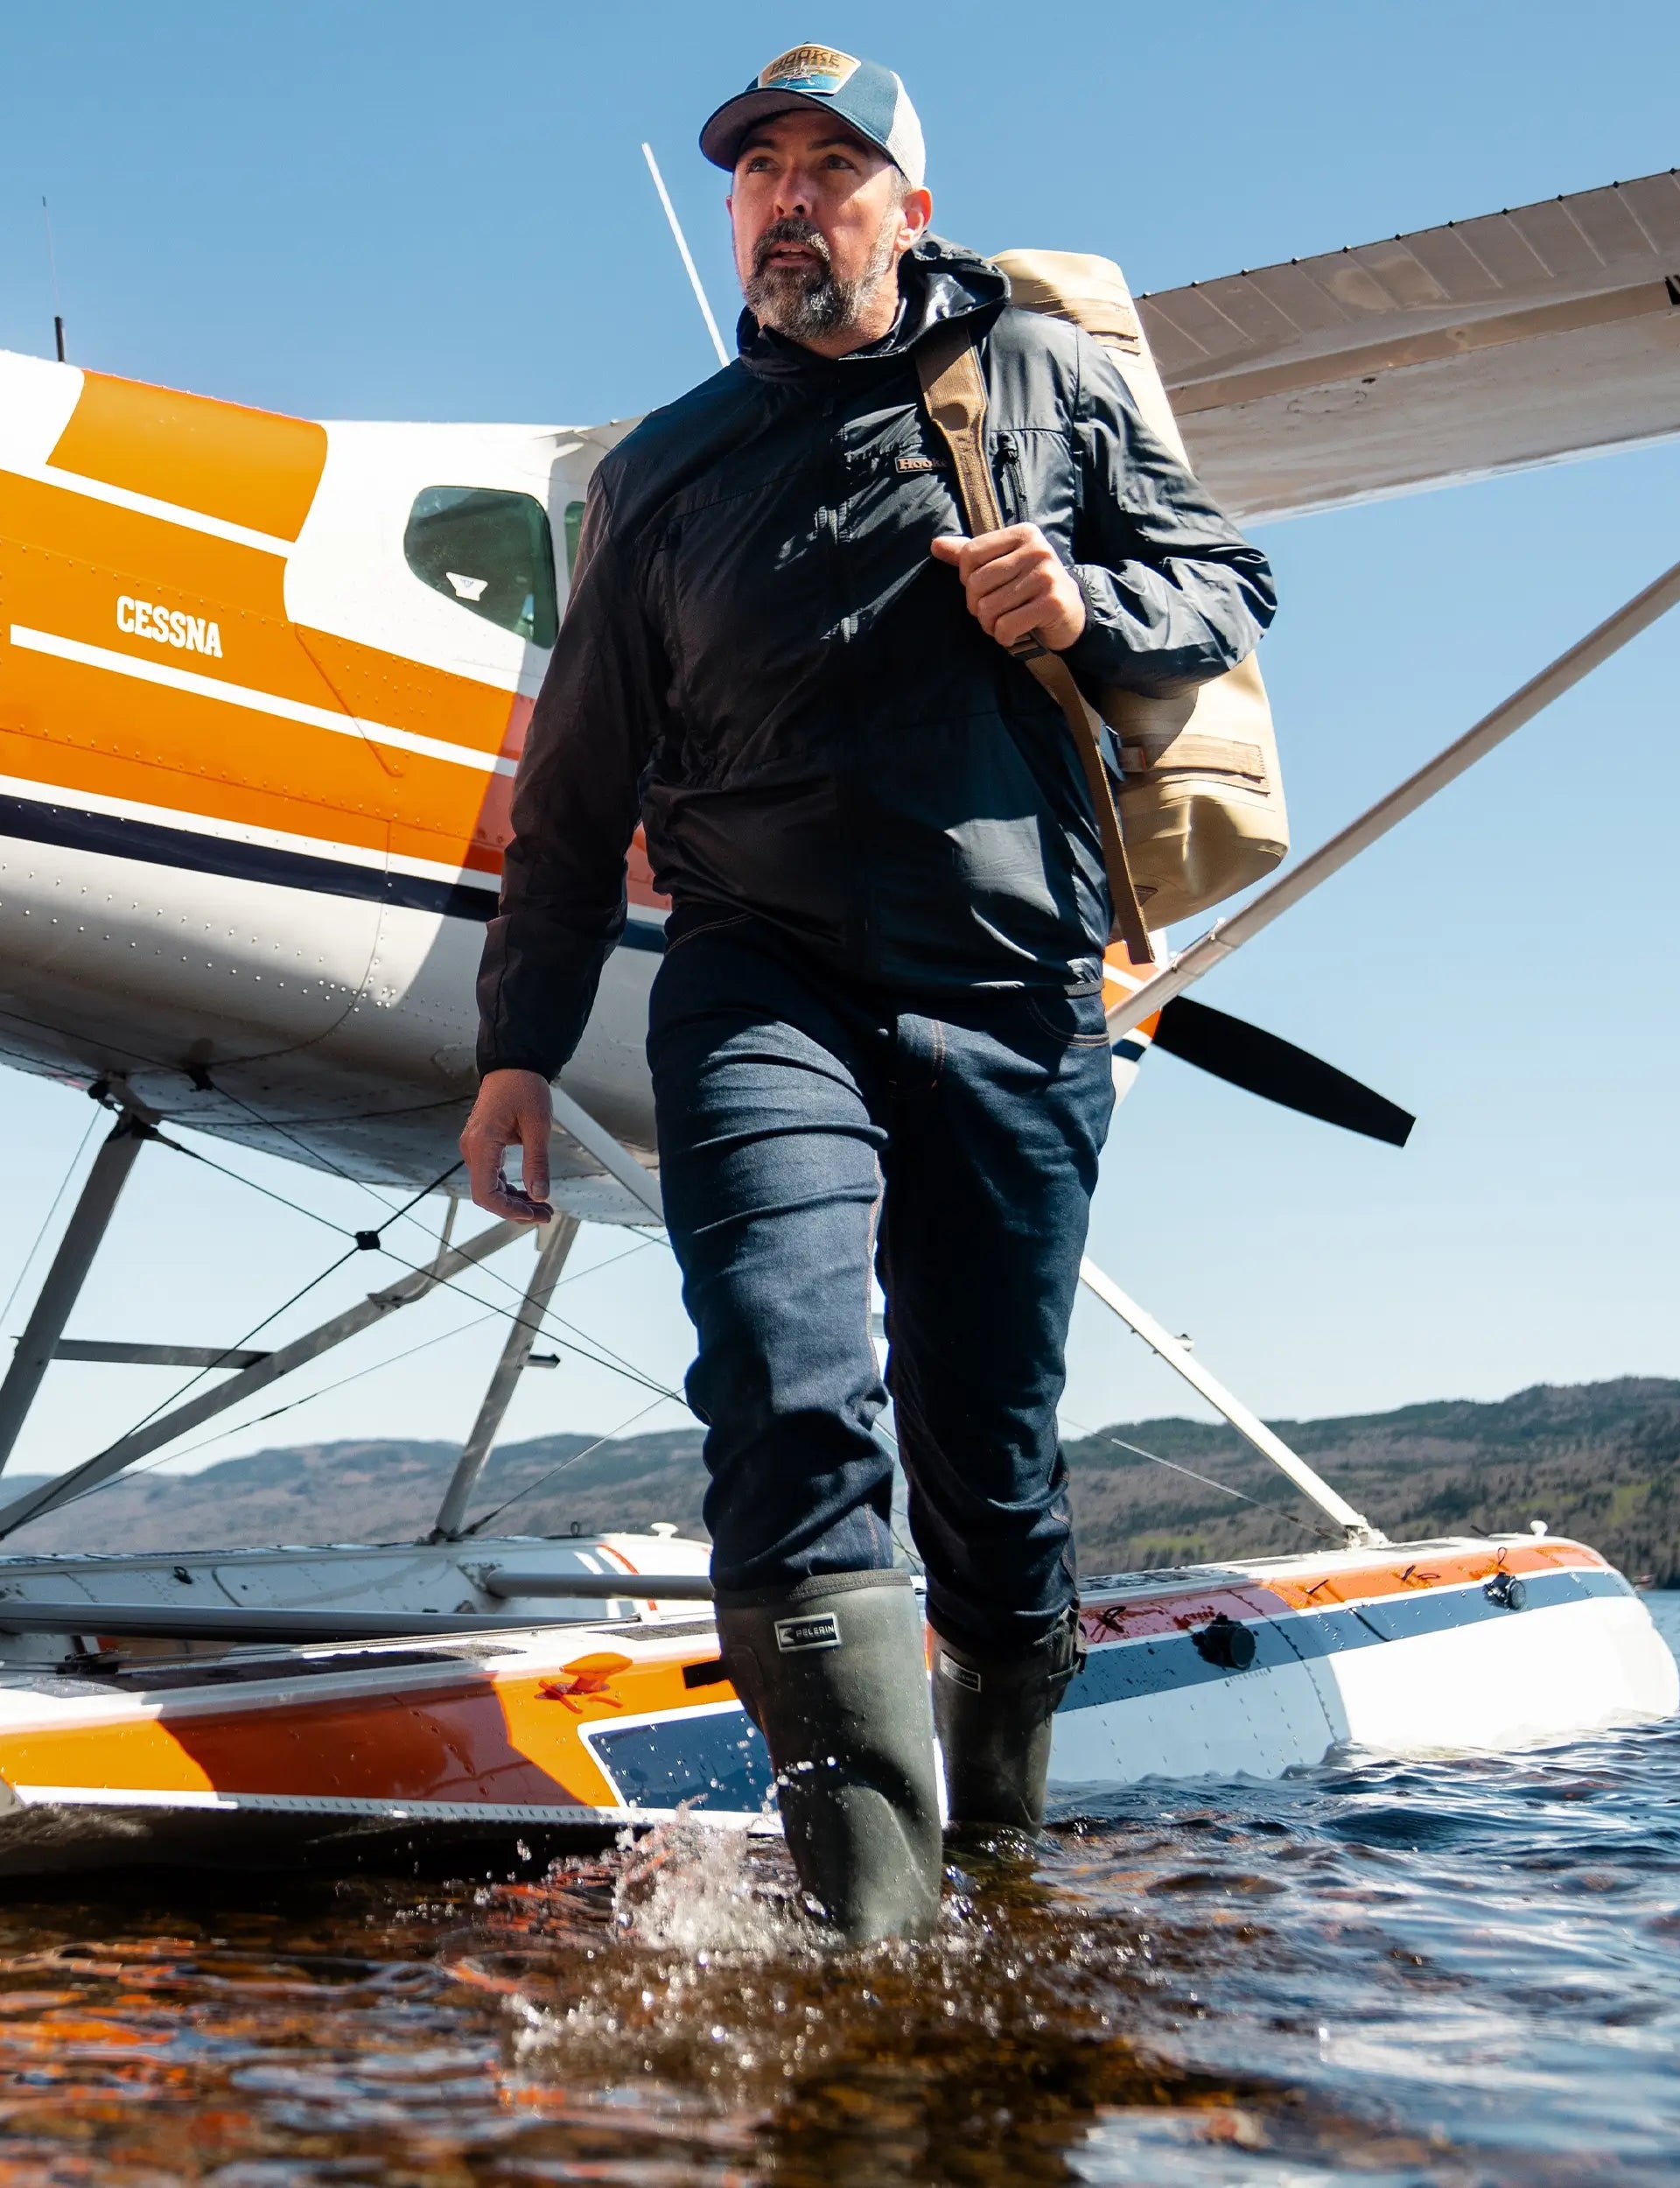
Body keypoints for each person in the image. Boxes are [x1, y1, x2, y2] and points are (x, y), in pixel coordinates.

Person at [459, 43, 1274, 1939]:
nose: (788, 199)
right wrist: (517, 1042)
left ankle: (994, 1860)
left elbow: (1225, 582)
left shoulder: (1048, 385)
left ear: (907, 209)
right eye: (759, 173)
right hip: (760, 983)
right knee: (781, 1384)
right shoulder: (657, 473)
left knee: (988, 1473)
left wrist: (1086, 603)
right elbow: (574, 792)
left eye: (833, 169)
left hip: (1011, 986)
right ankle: (878, 1955)